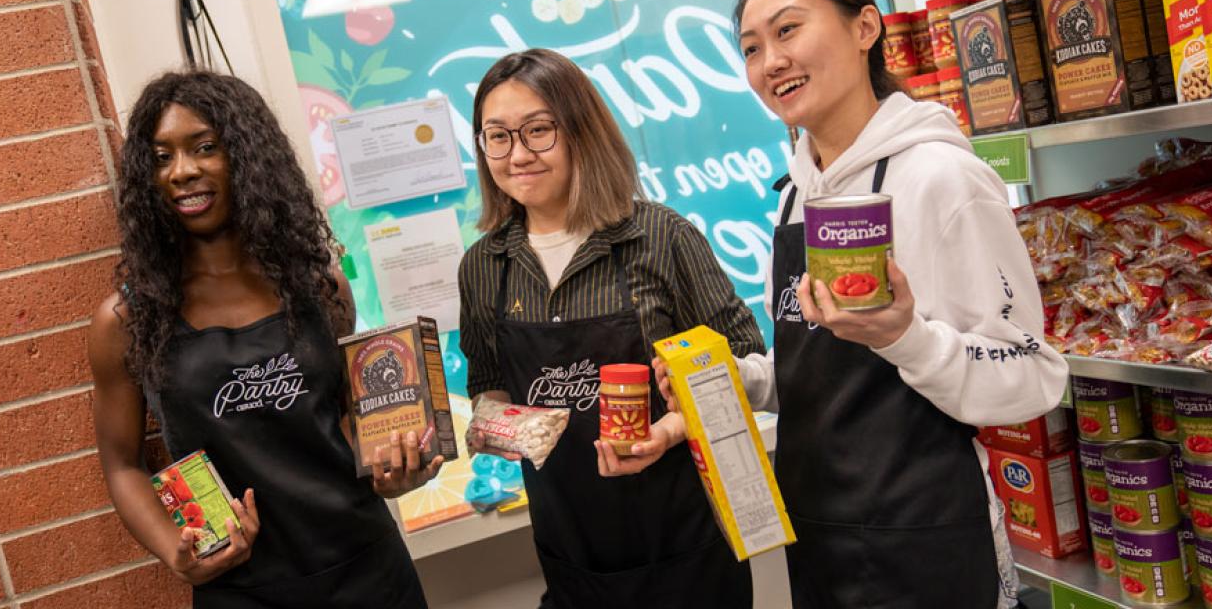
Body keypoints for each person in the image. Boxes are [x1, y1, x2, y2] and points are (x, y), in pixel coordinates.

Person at [686, 0, 1069, 607]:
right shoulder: (794, 194)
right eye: (750, 47)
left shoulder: (941, 179)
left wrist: (907, 338)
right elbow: (828, 373)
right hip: (821, 544)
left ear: (866, 28)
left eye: (787, 30)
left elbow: (1033, 374)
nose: (770, 60)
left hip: (926, 542)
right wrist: (738, 380)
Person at [89, 71, 439, 608]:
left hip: (366, 568)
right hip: (242, 589)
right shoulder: (129, 320)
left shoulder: (321, 289)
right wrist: (175, 553)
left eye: (204, 148)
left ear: (248, 158)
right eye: (162, 157)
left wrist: (391, 470)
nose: (182, 171)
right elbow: (122, 465)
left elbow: (345, 420)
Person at [458, 48, 763, 609]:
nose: (517, 154)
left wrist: (668, 430)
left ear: (581, 131)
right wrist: (497, 426)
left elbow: (747, 367)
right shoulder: (483, 266)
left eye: (539, 131)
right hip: (572, 556)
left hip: (685, 550)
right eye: (497, 136)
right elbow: (490, 384)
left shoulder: (661, 237)